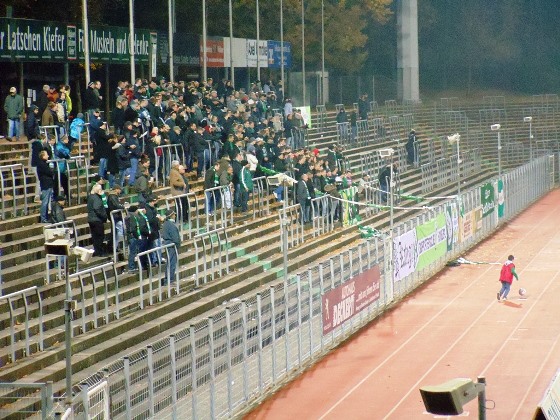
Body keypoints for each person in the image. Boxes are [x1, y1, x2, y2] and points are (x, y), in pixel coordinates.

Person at [87, 183, 108, 257]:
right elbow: (97, 208)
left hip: (91, 219)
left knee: (95, 236)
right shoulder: (96, 198)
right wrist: (104, 216)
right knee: (100, 236)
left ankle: (96, 251)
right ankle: (100, 252)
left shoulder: (90, 197)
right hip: (97, 220)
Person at [161, 209, 181, 285]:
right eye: (174, 215)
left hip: (168, 244)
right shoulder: (171, 225)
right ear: (171, 216)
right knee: (171, 263)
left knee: (170, 262)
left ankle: (168, 279)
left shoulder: (166, 224)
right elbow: (175, 238)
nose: (175, 216)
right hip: (172, 245)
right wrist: (178, 244)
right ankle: (169, 280)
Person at [37, 150, 54, 223]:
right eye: (47, 155)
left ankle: (45, 217)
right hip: (46, 185)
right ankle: (43, 218)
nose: (48, 156)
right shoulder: (42, 164)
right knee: (45, 202)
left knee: (46, 202)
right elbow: (49, 172)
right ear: (43, 156)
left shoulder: (44, 163)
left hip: (47, 184)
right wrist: (52, 170)